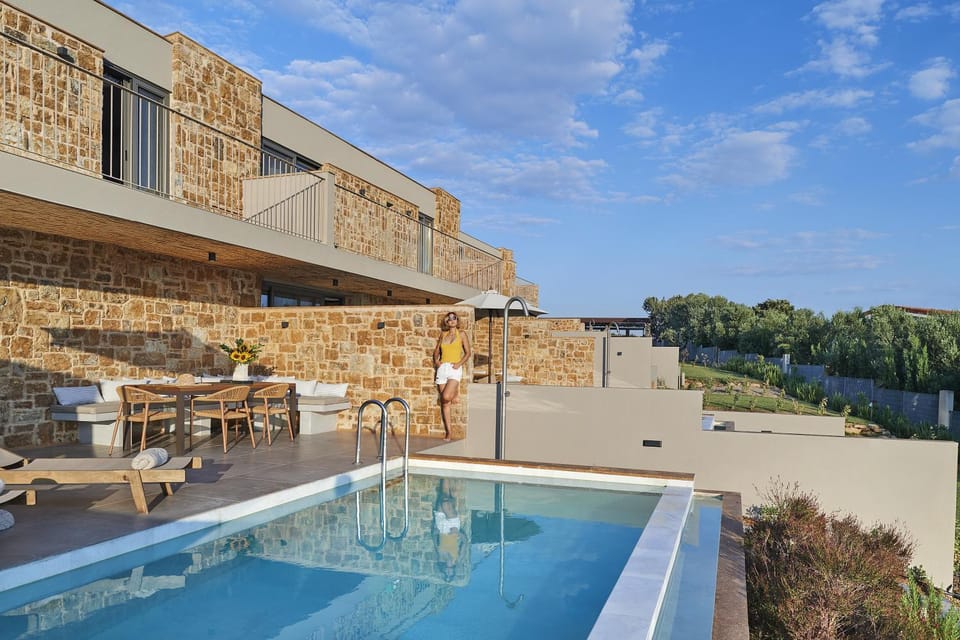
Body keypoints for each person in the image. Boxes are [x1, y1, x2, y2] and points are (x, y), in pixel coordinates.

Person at [433, 311, 471, 441]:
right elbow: (436, 351)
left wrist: (459, 363)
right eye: (449, 319)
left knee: (446, 396)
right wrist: (437, 361)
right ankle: (449, 432)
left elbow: (468, 353)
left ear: (457, 320)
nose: (452, 320)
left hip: (454, 368)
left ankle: (454, 392)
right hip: (442, 369)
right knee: (445, 403)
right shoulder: (443, 335)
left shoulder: (462, 334)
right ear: (447, 322)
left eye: (454, 318)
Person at [433, 478, 465, 582]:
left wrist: (435, 532)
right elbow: (465, 541)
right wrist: (458, 533)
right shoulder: (458, 558)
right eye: (449, 574)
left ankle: (447, 474)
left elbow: (435, 541)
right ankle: (454, 481)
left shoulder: (440, 558)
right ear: (453, 572)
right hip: (452, 527)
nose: (447, 572)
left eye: (445, 574)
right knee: (445, 502)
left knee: (443, 495)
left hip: (441, 526)